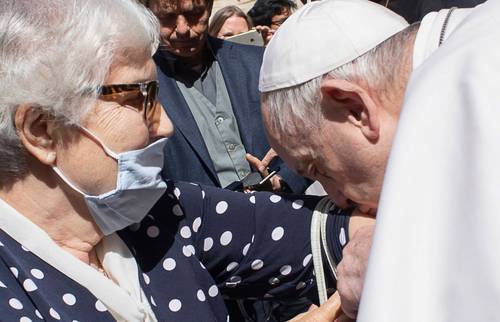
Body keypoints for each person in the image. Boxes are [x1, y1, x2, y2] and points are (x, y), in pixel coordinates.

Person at [0, 1, 374, 320]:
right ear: (42, 130)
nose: (165, 124)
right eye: (138, 98)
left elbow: (327, 234)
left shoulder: (163, 212)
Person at [260, 0, 500, 320]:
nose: (338, 199)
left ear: (355, 108)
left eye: (320, 169)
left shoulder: (467, 88)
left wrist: (395, 264)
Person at [142, 0, 308, 195]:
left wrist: (283, 181)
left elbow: (309, 135)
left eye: (194, 14)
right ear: (148, 14)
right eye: (168, 17)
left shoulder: (259, 61)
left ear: (209, 6)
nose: (183, 29)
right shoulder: (140, 86)